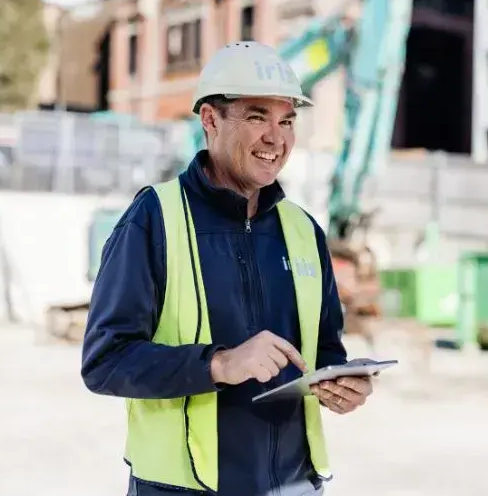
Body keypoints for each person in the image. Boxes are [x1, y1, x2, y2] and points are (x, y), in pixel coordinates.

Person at [81, 41, 374, 496]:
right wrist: (220, 364)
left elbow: (325, 349)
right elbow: (104, 362)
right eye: (258, 117)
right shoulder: (154, 220)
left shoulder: (303, 231)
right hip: (183, 487)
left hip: (294, 484)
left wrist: (341, 381)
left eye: (287, 121)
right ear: (210, 120)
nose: (276, 138)